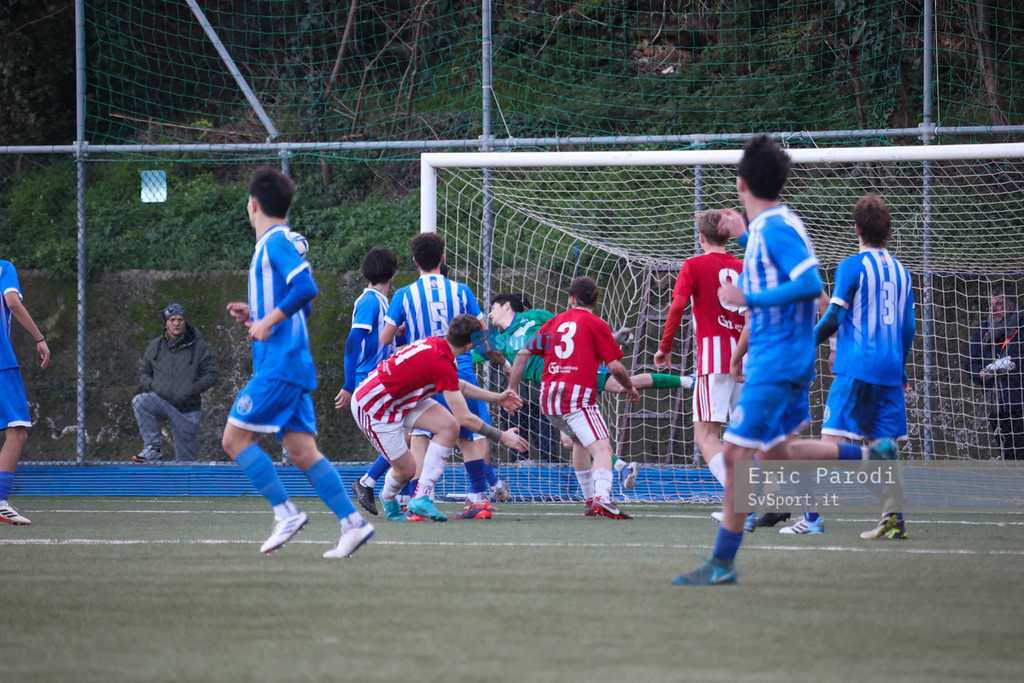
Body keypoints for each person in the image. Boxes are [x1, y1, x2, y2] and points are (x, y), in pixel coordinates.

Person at [222, 166, 373, 558]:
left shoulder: (274, 242)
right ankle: (353, 523)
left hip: (280, 365)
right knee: (303, 451)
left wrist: (268, 321)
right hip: (291, 363)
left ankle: (285, 513)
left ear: (252, 205)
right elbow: (296, 306)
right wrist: (257, 316)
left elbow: (306, 287)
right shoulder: (272, 245)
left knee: (234, 440)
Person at [778, 194, 915, 539]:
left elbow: (833, 317)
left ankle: (815, 518)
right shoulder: (903, 272)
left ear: (856, 229)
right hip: (890, 370)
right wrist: (901, 369)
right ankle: (894, 518)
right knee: (881, 448)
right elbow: (908, 328)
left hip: (857, 368)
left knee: (829, 445)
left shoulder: (851, 266)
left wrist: (804, 344)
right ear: (888, 230)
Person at [481, 292, 692, 496]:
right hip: (553, 386)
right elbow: (470, 345)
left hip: (572, 368)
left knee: (623, 385)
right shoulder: (499, 340)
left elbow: (572, 327)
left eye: (492, 308)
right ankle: (617, 470)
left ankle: (687, 381)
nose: (489, 314)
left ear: (506, 305)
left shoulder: (535, 316)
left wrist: (612, 337)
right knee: (570, 440)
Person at [352, 314, 529, 522]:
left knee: (449, 426)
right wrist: (503, 436)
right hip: (374, 406)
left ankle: (420, 497)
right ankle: (388, 498)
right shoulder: (441, 361)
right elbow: (465, 418)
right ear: (470, 346)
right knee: (407, 470)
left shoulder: (439, 346)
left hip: (401, 400)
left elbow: (458, 385)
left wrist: (497, 398)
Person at [379, 232, 500, 520]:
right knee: (465, 437)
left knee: (419, 437)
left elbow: (385, 338)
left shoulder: (404, 294)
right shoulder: (462, 290)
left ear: (414, 261)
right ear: (443, 258)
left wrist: (403, 331)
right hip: (458, 368)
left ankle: (415, 502)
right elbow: (484, 337)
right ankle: (479, 500)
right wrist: (496, 357)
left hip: (422, 376)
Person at [509, 276, 641, 519]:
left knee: (579, 442)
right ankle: (603, 498)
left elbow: (523, 352)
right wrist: (629, 387)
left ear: (571, 299)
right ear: (596, 300)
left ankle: (590, 501)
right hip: (576, 398)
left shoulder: (554, 322)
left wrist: (512, 388)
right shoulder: (596, 323)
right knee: (603, 448)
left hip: (548, 399)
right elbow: (616, 368)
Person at [653, 208, 746, 500]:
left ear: (701, 237)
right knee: (748, 435)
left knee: (705, 435)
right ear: (727, 237)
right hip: (747, 358)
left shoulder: (693, 264)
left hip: (715, 360)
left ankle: (742, 494)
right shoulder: (743, 267)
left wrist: (665, 347)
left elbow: (677, 307)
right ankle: (770, 493)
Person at [334, 247, 400, 516]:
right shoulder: (369, 302)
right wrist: (349, 384)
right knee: (405, 439)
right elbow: (353, 341)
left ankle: (371, 483)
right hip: (369, 383)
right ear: (392, 274)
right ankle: (372, 484)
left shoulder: (384, 302)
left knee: (410, 437)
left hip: (385, 380)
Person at [131, 303, 220, 463]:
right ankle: (153, 448)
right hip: (162, 401)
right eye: (172, 320)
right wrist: (154, 386)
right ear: (166, 323)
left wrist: (192, 388)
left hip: (188, 408)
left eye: (180, 319)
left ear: (185, 322)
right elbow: (143, 373)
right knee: (140, 400)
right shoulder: (155, 346)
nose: (176, 323)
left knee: (185, 461)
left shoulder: (199, 346)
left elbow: (212, 374)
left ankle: (186, 476)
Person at [0, 259, 50, 525]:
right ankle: (0, 500)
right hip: (1, 363)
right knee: (17, 431)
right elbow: (12, 302)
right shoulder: (3, 268)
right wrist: (40, 338)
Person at [965, 285, 1024, 460]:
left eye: (999, 304)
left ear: (1011, 305)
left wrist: (1011, 365)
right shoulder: (983, 330)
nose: (993, 309)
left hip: (1019, 404)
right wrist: (979, 373)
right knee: (1007, 456)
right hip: (996, 406)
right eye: (991, 305)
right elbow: (969, 362)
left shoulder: (1021, 327)